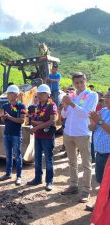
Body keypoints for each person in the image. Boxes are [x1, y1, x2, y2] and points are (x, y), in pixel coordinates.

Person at [61, 72, 98, 203]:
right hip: (68, 133)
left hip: (82, 133)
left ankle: (86, 190)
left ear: (86, 81)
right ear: (73, 83)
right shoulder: (72, 95)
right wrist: (65, 107)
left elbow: (86, 114)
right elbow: (64, 115)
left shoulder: (92, 95)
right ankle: (73, 185)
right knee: (72, 162)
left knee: (86, 164)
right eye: (76, 83)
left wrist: (70, 103)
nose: (79, 85)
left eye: (81, 82)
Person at [27, 84, 57, 191]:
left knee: (48, 159)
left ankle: (49, 181)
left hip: (47, 137)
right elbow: (35, 119)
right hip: (38, 136)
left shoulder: (52, 105)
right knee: (38, 158)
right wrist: (38, 122)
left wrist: (37, 126)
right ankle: (37, 178)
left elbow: (52, 121)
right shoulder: (37, 106)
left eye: (41, 93)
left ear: (47, 94)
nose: (38, 95)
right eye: (38, 93)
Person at [0, 85, 26, 185]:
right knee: (8, 155)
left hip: (16, 135)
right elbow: (4, 120)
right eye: (8, 94)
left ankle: (19, 176)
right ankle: (8, 174)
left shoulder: (21, 106)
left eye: (10, 93)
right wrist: (2, 117)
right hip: (7, 133)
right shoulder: (5, 106)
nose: (8, 95)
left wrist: (9, 117)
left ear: (16, 95)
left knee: (17, 156)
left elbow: (22, 120)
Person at [86, 91, 110, 211]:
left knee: (107, 182)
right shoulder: (103, 111)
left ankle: (104, 207)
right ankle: (102, 204)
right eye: (105, 96)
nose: (105, 99)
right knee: (101, 180)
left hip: (108, 154)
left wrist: (99, 121)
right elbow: (91, 128)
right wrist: (92, 121)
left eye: (108, 96)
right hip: (100, 153)